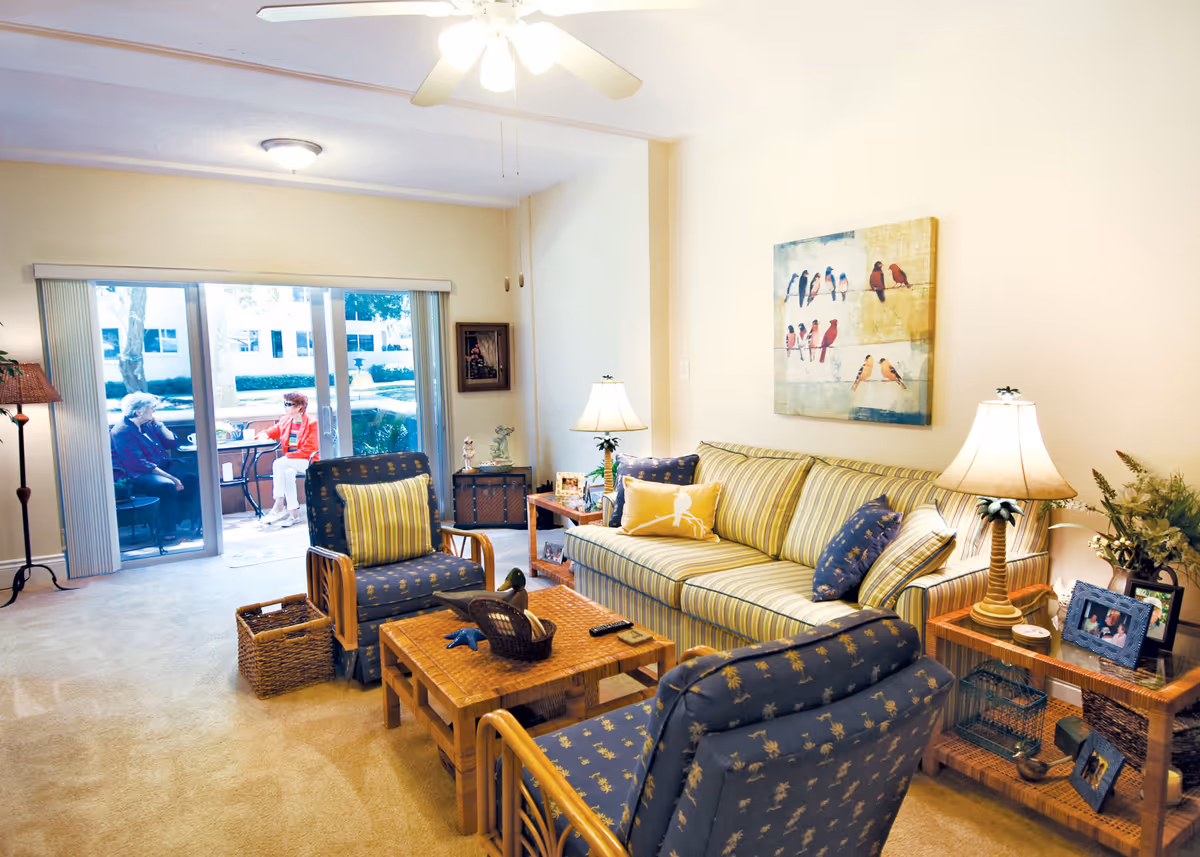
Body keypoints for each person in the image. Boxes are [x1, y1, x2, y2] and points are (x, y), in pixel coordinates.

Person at [110, 392, 200, 541]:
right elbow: (140, 464)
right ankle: (166, 530)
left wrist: (161, 425)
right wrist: (173, 478)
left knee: (192, 478)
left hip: (159, 468)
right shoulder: (122, 431)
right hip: (137, 475)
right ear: (139, 412)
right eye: (151, 408)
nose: (154, 411)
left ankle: (184, 520)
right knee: (167, 485)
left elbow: (171, 443)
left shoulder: (147, 426)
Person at [257, 392, 319, 527]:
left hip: (309, 461)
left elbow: (309, 450)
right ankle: (293, 515)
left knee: (279, 463)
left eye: (288, 404)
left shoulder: (312, 423)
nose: (285, 407)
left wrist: (287, 457)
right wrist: (263, 435)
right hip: (291, 462)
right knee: (287, 472)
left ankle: (279, 503)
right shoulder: (285, 420)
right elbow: (271, 431)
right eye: (284, 403)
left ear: (299, 407)